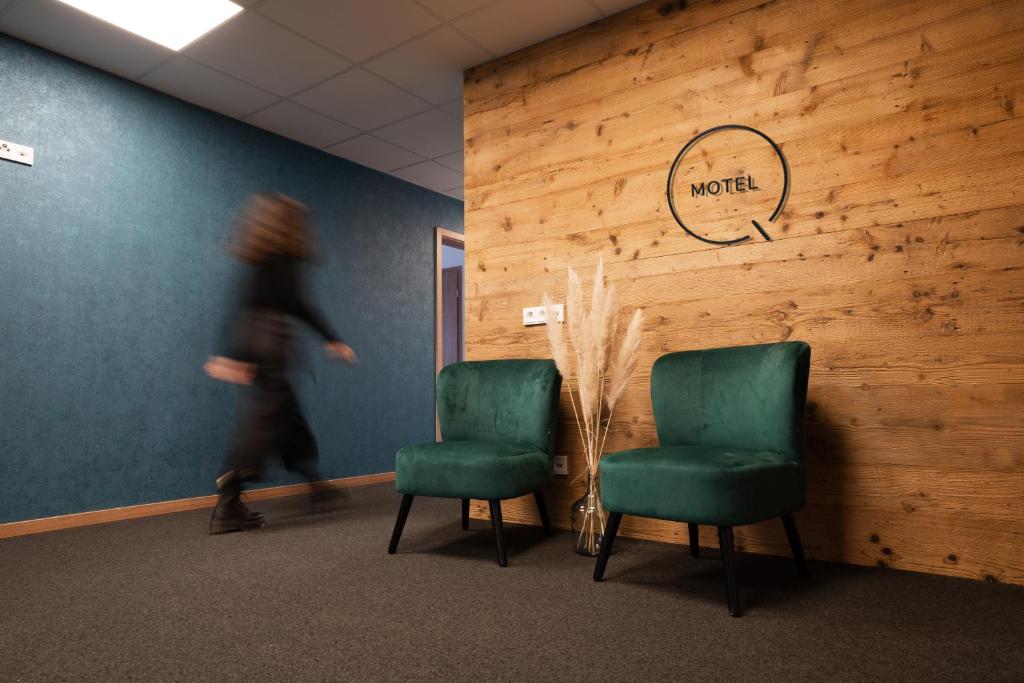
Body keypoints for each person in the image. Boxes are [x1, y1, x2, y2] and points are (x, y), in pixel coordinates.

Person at [203, 193, 356, 535]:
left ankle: (317, 485)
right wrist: (332, 338)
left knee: (286, 416)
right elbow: (300, 304)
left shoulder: (262, 260)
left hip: (255, 337)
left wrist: (235, 352)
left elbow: (245, 305)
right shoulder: (284, 258)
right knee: (263, 421)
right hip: (271, 341)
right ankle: (229, 499)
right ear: (289, 225)